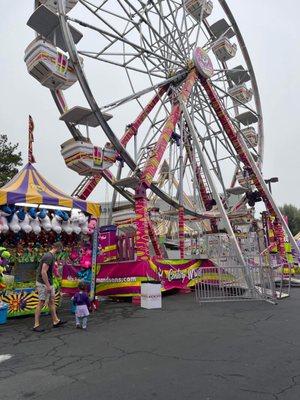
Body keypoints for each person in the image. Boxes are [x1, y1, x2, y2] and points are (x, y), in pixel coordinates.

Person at [33, 241, 66, 332]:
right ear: (58, 248)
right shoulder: (49, 257)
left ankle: (56, 321)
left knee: (51, 301)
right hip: (43, 283)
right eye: (61, 249)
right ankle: (36, 325)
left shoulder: (51, 256)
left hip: (48, 282)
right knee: (42, 302)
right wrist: (48, 286)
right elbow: (43, 272)